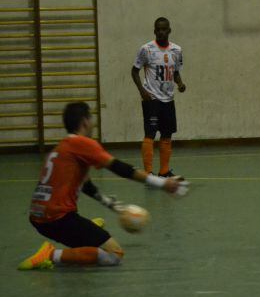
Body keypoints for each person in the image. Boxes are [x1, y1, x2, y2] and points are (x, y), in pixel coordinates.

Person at [18, 102, 185, 270]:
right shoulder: (83, 143)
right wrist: (162, 183)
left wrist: (112, 205)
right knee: (114, 255)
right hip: (57, 219)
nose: (92, 123)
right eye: (91, 119)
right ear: (84, 122)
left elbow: (86, 185)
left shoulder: (63, 147)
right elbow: (120, 168)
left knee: (89, 235)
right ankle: (50, 255)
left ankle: (86, 228)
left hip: (39, 217)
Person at [131, 17, 186, 178]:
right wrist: (142, 91)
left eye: (164, 29)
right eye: (158, 29)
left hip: (168, 99)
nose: (161, 32)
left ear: (169, 30)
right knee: (150, 134)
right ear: (154, 31)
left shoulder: (176, 50)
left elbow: (175, 72)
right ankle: (148, 173)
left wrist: (180, 83)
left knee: (167, 135)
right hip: (152, 99)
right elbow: (134, 71)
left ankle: (164, 171)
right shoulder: (146, 49)